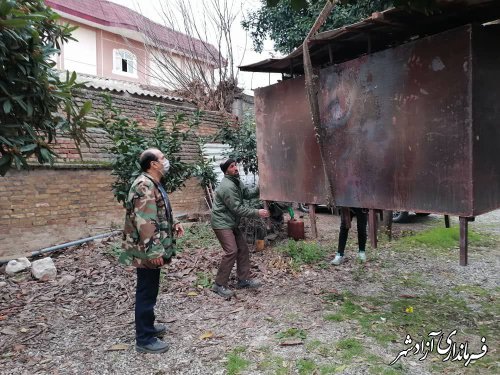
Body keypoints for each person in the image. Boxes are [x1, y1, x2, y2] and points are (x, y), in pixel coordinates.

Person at [120, 148, 184, 354]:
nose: (166, 161)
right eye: (163, 158)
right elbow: (145, 222)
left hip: (149, 246)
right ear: (153, 164)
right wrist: (154, 251)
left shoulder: (153, 183)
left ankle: (148, 327)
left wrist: (174, 223)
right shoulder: (144, 185)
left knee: (150, 289)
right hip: (146, 249)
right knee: (146, 292)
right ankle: (144, 339)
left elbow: (158, 211)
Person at [210, 158, 270, 298]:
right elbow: (237, 208)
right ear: (226, 171)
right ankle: (218, 285)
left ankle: (243, 280)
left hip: (231, 222)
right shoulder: (227, 187)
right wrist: (257, 212)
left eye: (235, 165)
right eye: (232, 166)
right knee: (231, 251)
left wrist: (260, 186)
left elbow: (248, 195)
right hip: (221, 223)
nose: (236, 168)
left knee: (242, 249)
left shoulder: (236, 181)